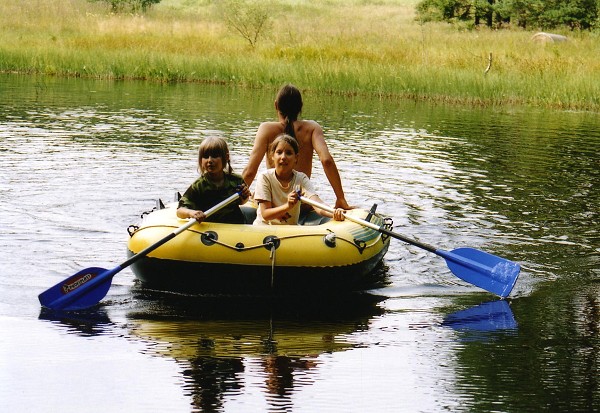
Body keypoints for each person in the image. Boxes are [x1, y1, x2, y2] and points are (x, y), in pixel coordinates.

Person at [242, 83, 351, 210]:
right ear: (301, 107)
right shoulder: (312, 128)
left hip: (272, 203)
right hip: (302, 202)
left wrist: (232, 199)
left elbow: (250, 171)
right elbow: (326, 160)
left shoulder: (266, 129)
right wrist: (340, 198)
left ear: (276, 105)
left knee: (255, 197)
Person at [253, 134, 345, 225]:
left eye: (288, 153)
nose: (283, 157)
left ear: (296, 158)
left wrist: (334, 212)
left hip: (291, 233)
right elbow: (265, 214)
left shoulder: (301, 179)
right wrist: (287, 206)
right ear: (272, 156)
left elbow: (317, 204)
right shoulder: (265, 177)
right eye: (279, 152)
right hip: (264, 229)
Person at [177, 137, 251, 224]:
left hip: (234, 225)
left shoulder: (236, 180)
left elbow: (242, 202)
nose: (210, 160)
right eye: (205, 156)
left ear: (226, 157)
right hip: (210, 228)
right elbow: (180, 211)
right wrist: (191, 213)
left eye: (215, 156)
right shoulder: (199, 185)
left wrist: (244, 197)